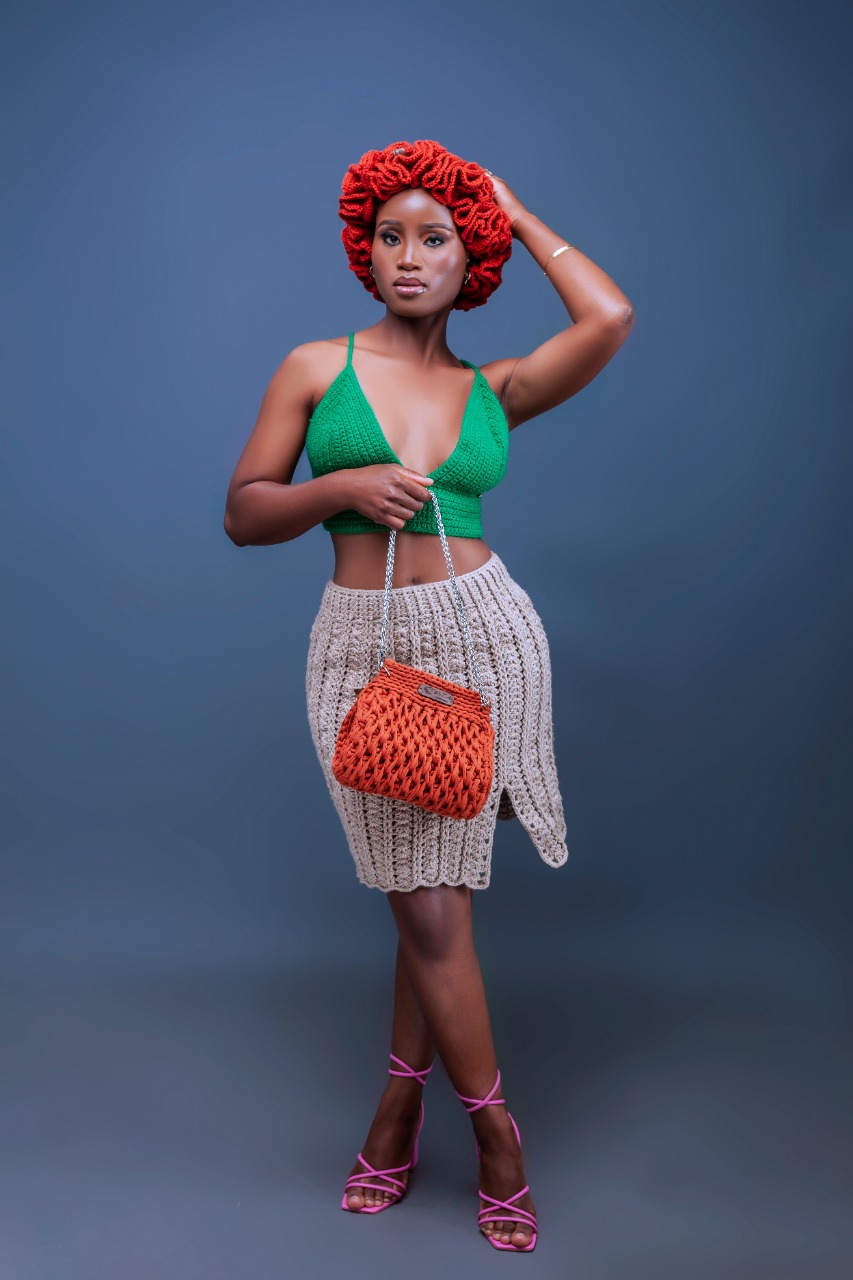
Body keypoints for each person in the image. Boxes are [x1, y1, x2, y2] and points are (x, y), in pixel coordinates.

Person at [223, 138, 634, 1253]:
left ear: (470, 259)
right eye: (389, 236)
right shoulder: (316, 366)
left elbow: (608, 317)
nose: (408, 256)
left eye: (436, 237)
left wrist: (514, 209)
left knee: (434, 895)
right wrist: (342, 488)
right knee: (427, 897)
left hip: (486, 644)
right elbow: (245, 511)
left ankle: (418, 1118)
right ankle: (483, 1126)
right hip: (362, 648)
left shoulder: (491, 390)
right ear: (365, 251)